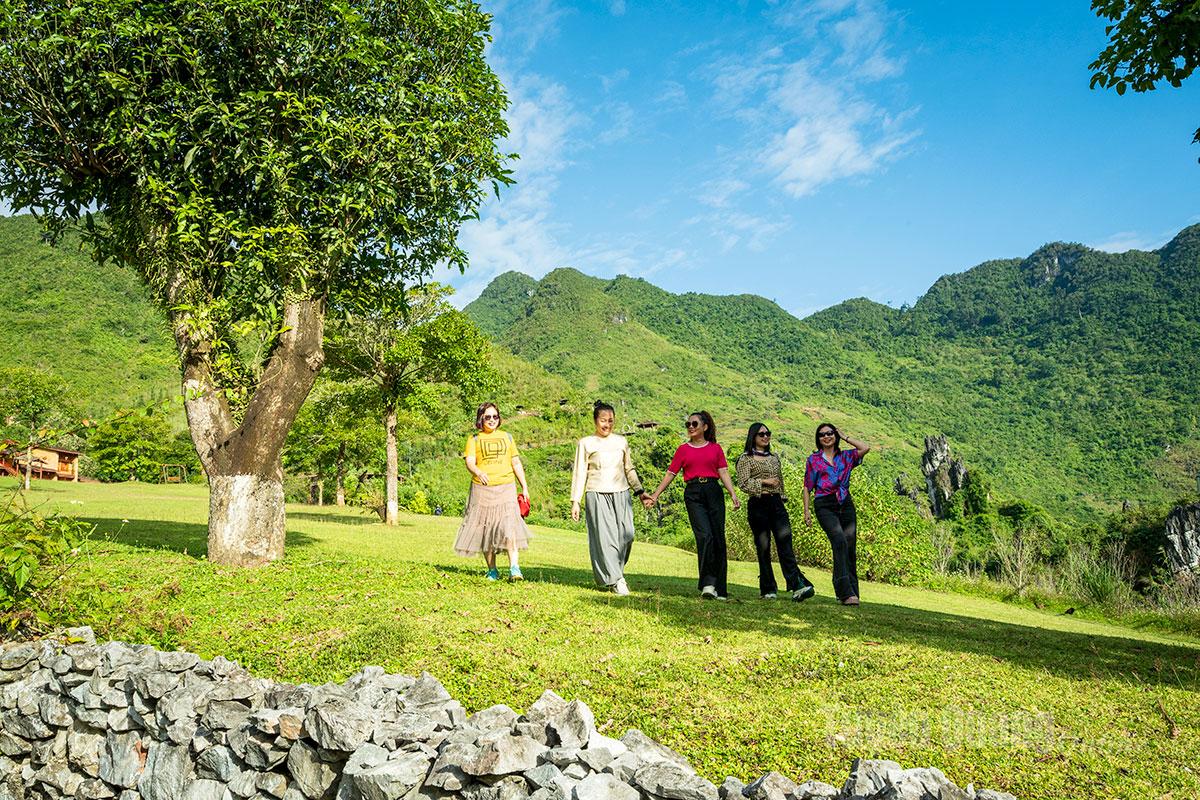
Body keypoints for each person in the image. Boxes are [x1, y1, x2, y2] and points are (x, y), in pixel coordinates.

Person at [645, 411, 740, 600]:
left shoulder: (716, 449)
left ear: (704, 427)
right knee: (704, 536)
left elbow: (723, 472)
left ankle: (720, 588)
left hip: (713, 491)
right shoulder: (683, 449)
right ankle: (708, 584)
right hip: (693, 493)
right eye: (687, 424)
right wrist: (655, 495)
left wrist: (733, 493)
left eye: (694, 424)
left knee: (718, 538)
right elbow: (670, 474)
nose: (690, 427)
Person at [570, 400, 645, 596]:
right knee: (605, 539)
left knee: (627, 535)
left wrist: (639, 491)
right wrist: (575, 501)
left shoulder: (621, 441)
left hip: (621, 493)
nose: (607, 425)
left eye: (611, 421)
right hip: (597, 494)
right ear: (595, 421)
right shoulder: (586, 443)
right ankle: (616, 579)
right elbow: (580, 473)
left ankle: (615, 574)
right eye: (603, 420)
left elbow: (629, 468)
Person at [735, 422, 815, 601]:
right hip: (758, 504)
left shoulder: (774, 457)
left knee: (785, 543)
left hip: (777, 503)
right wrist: (765, 483)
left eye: (767, 433)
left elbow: (780, 481)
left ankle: (797, 585)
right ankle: (767, 588)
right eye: (761, 434)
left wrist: (782, 498)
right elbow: (743, 483)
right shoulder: (745, 458)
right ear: (753, 437)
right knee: (763, 547)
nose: (765, 437)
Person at [453, 402, 531, 581]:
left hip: (506, 487)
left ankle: (514, 568)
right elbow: (470, 461)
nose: (492, 420)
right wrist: (478, 472)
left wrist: (524, 487)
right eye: (487, 417)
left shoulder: (508, 437)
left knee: (509, 527)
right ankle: (492, 570)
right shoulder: (474, 439)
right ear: (481, 418)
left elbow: (516, 463)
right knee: (486, 530)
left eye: (495, 416)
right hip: (482, 490)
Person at [802, 423, 871, 605]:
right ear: (818, 439)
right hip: (825, 504)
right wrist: (806, 511)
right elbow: (807, 487)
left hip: (845, 502)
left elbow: (865, 448)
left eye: (830, 433)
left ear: (835, 435)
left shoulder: (846, 456)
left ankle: (853, 592)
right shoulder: (814, 460)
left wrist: (845, 436)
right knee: (839, 541)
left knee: (849, 546)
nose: (826, 437)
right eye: (822, 434)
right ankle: (844, 592)